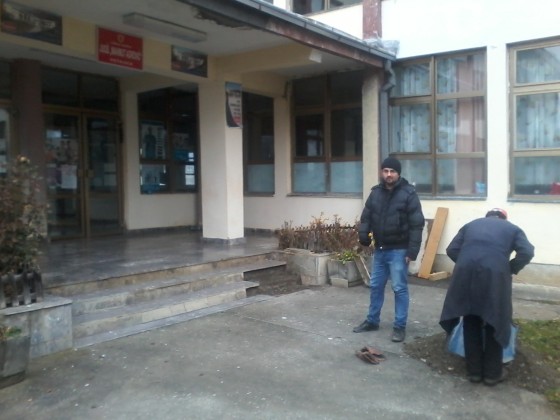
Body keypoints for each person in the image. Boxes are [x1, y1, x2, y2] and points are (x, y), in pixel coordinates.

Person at [439, 208, 534, 386]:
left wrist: (467, 263)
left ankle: (474, 373)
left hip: (466, 275)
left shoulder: (471, 225)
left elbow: (452, 249)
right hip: (495, 277)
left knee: (470, 317)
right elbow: (527, 252)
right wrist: (510, 268)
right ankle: (492, 375)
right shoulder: (512, 229)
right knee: (494, 319)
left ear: (487, 216)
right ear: (504, 218)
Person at [353, 157, 425, 342]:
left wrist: (412, 251)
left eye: (392, 171)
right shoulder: (375, 193)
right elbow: (366, 217)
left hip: (399, 250)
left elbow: (416, 225)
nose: (389, 174)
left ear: (398, 173)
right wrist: (363, 235)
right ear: (381, 172)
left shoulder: (409, 194)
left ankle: (399, 327)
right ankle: (372, 321)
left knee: (399, 288)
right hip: (380, 250)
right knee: (375, 286)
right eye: (385, 171)